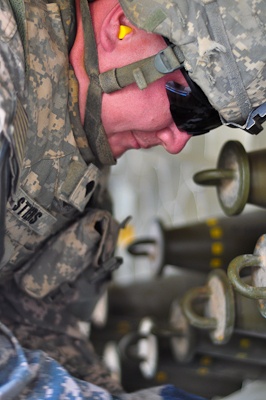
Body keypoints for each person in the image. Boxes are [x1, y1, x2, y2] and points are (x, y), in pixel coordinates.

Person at [0, 0, 265, 399]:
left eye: (205, 126)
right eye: (189, 108)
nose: (176, 142)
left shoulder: (72, 151)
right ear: (120, 28)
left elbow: (36, 323)